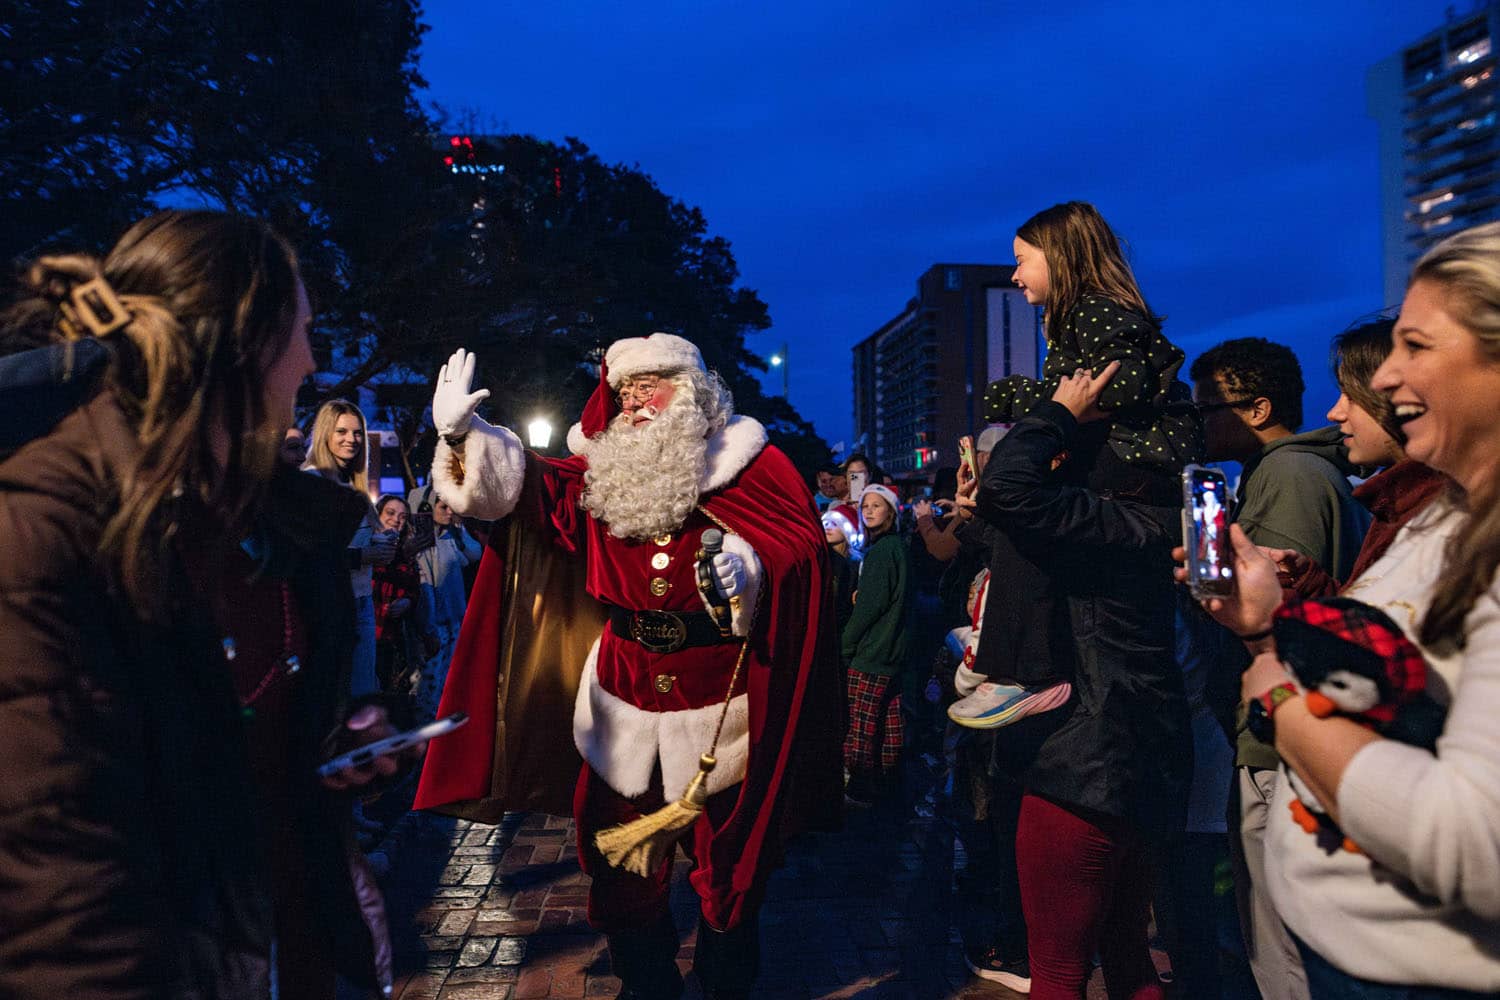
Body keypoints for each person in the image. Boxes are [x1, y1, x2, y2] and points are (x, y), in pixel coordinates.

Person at [0, 209, 414, 999]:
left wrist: (340, 739)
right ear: (248, 345)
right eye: (304, 331)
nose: (313, 362)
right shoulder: (42, 531)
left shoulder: (274, 520)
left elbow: (244, 725)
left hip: (287, 935)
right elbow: (53, 886)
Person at [411, 336, 841, 999]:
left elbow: (803, 557)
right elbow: (527, 487)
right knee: (616, 850)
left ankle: (725, 980)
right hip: (622, 695)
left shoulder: (756, 467)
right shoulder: (602, 476)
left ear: (694, 391)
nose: (636, 401)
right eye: (625, 390)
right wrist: (465, 437)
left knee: (731, 857)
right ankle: (647, 983)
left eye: (653, 385)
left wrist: (751, 573)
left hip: (720, 699)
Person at [1181, 221, 1500, 997]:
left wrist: (1280, 698)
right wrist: (1276, 614)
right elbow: (1414, 671)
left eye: (1416, 347)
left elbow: (1474, 844)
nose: (1382, 380)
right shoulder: (1441, 515)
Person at [956, 361, 1191, 1000]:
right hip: (1147, 753)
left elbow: (1013, 488)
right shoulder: (1157, 524)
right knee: (1127, 953)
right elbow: (1016, 512)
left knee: (1057, 970)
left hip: (1081, 763)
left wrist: (1057, 415)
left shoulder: (1104, 521)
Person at [1189, 335, 1372, 1000]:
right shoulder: (1294, 472)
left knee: (1283, 948)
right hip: (1296, 733)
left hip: (1283, 741)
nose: (1199, 422)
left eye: (1211, 408)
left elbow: (1277, 613)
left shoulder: (1289, 477)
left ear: (1258, 409)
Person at [983, 200, 1202, 475]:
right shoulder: (1089, 315)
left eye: (1020, 261)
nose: (1015, 276)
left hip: (1133, 469)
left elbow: (1121, 385)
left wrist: (1019, 397)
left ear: (1058, 257)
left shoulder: (1093, 309)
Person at [304, 398, 394, 697]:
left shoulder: (355, 488)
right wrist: (362, 556)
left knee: (362, 693)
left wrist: (393, 547)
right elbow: (308, 555)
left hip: (362, 601)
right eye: (342, 431)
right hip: (327, 604)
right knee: (333, 694)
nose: (351, 440)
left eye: (357, 433)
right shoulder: (310, 482)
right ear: (325, 434)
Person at [840, 483, 913, 805]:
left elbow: (870, 607)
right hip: (894, 652)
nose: (869, 510)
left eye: (877, 505)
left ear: (891, 511)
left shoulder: (882, 551)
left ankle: (860, 786)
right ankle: (887, 781)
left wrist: (844, 646)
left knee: (861, 723)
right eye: (865, 505)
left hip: (871, 653)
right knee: (890, 719)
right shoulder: (900, 547)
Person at [406, 484, 482, 722]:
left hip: (453, 623)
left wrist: (459, 528)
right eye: (443, 506)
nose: (449, 511)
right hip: (431, 627)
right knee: (427, 687)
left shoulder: (450, 538)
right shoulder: (419, 545)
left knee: (446, 686)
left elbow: (474, 554)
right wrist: (427, 629)